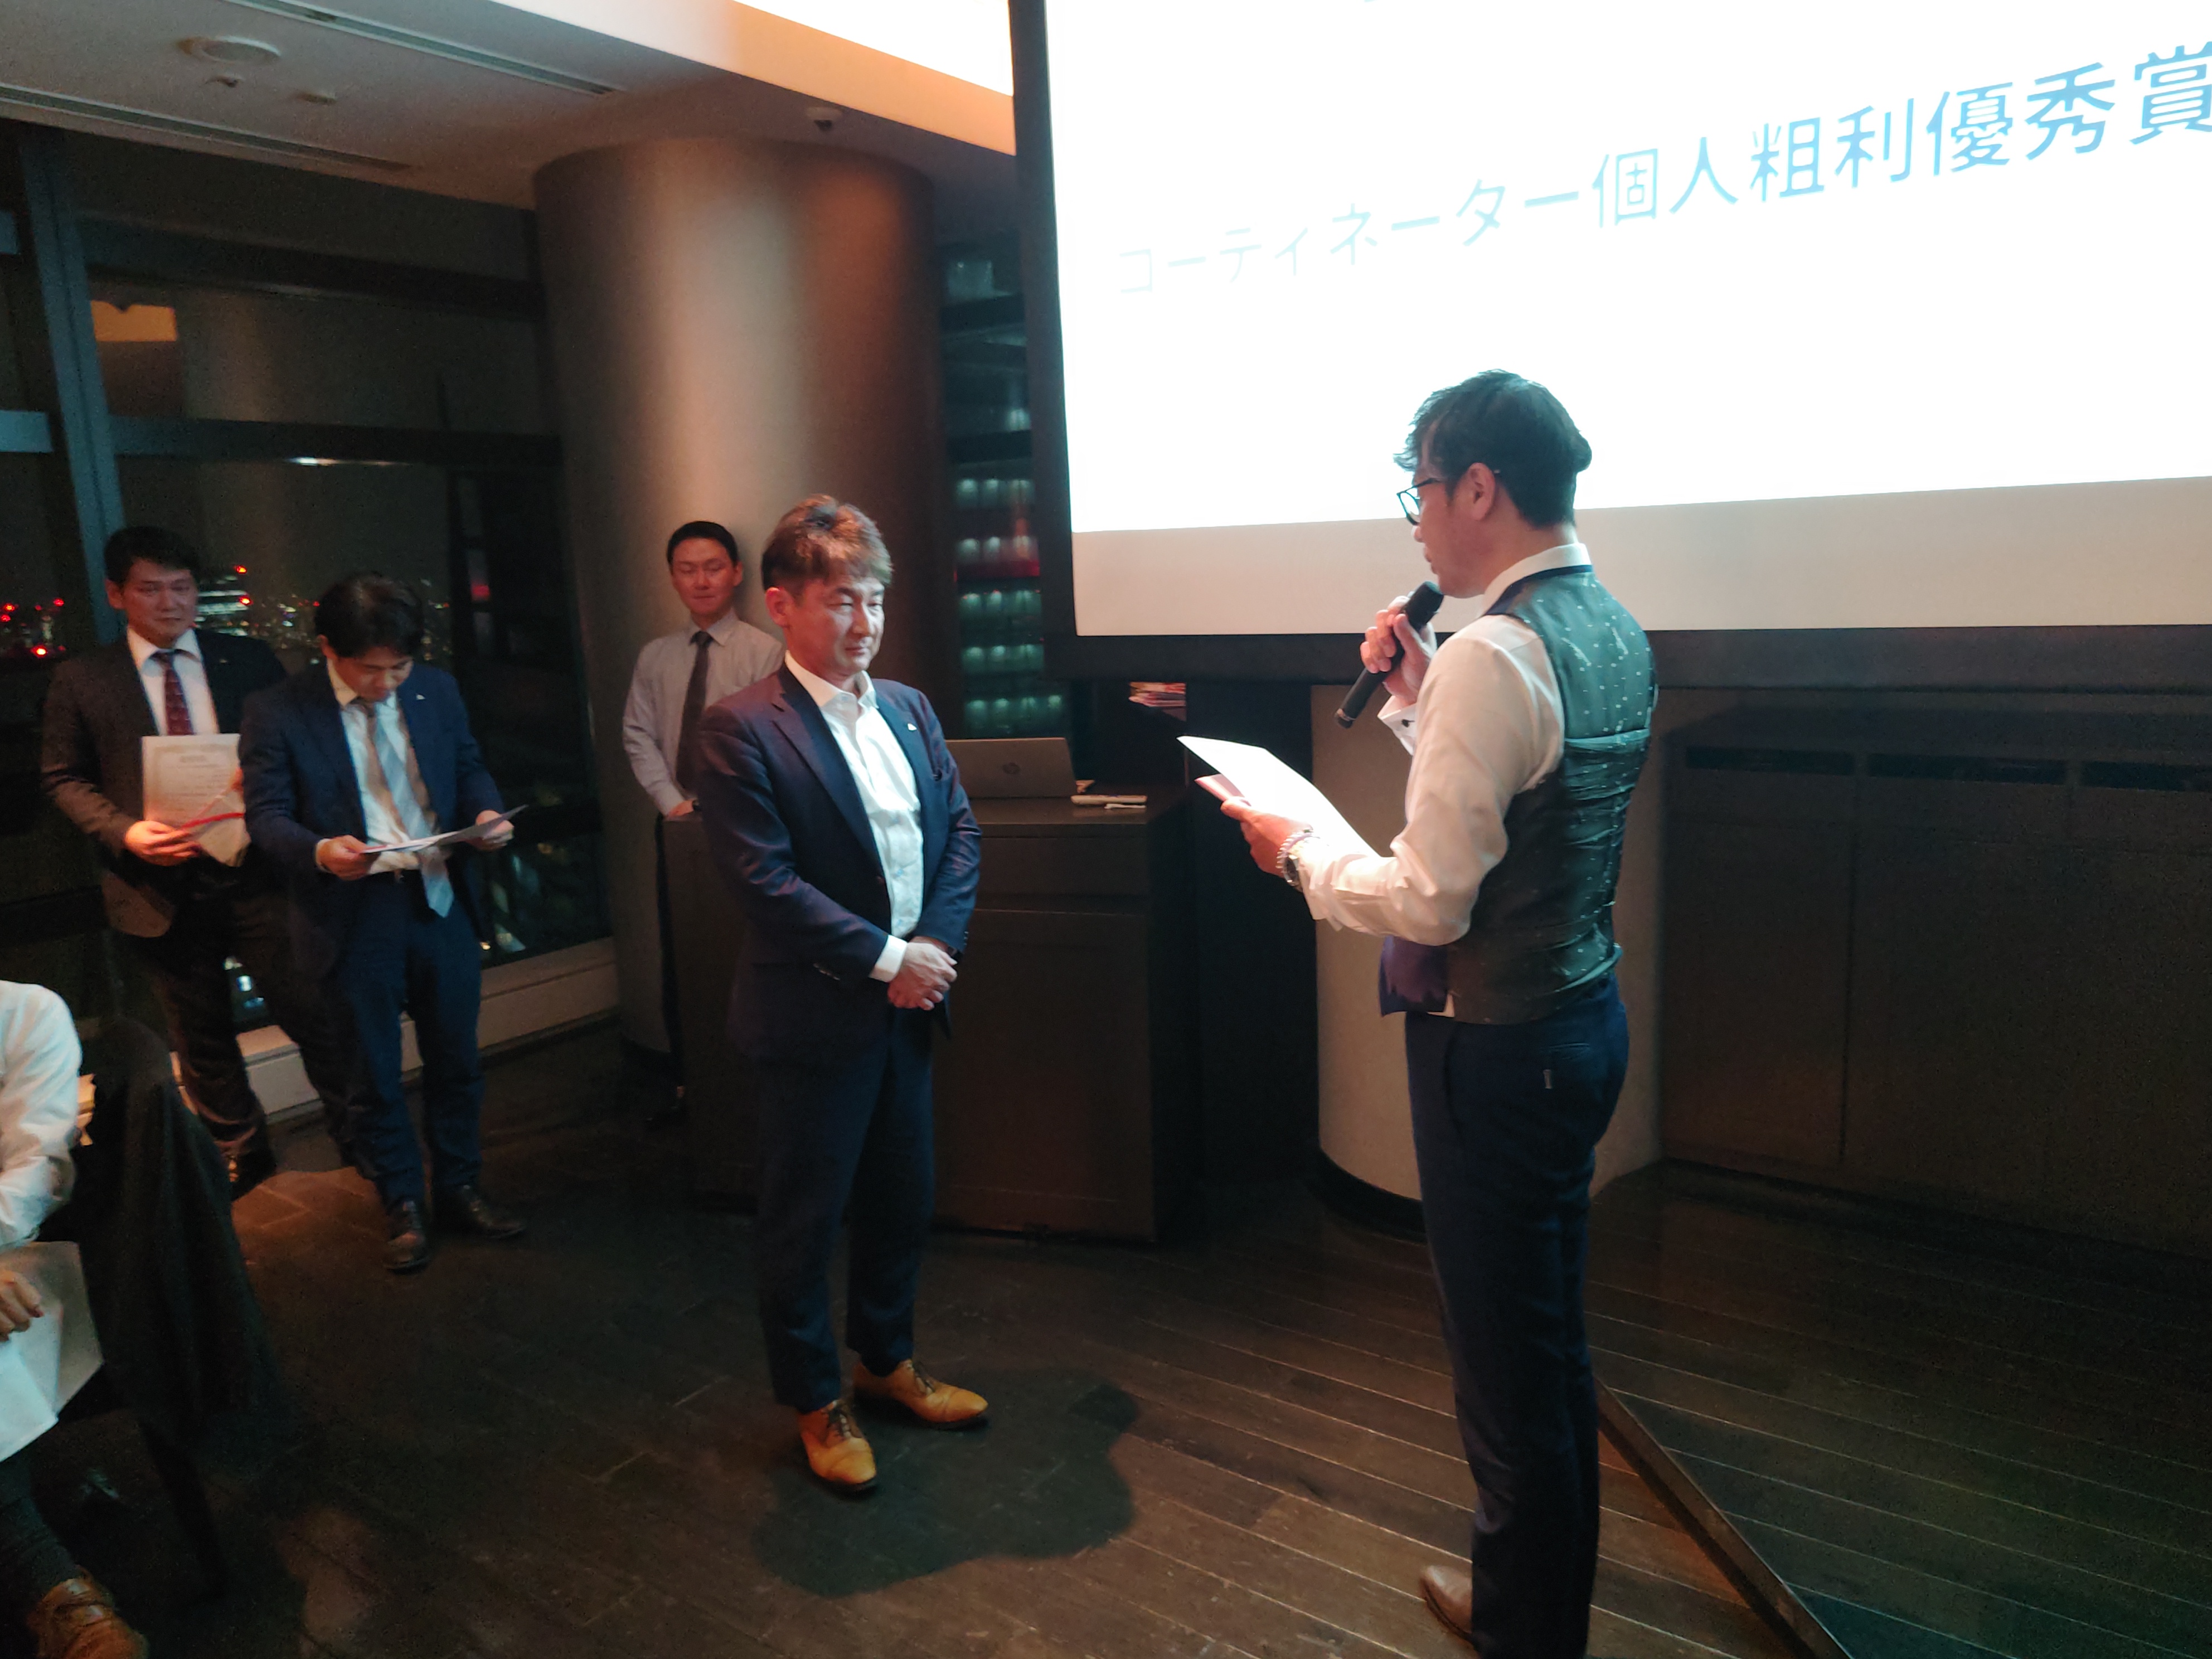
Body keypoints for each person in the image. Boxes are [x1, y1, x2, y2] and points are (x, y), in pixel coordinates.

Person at [1223, 372, 1653, 1658]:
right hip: (1578, 1021)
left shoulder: (1494, 656)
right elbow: (1517, 803)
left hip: (1494, 1054)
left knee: (1504, 1377)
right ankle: (1530, 1609)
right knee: (1548, 1353)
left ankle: (1524, 1634)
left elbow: (1428, 896)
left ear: (1477, 488)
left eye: (1417, 489)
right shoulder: (1609, 628)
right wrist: (1419, 697)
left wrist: (1299, 855)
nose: (1413, 521)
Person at [693, 496, 984, 1495]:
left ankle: (885, 1361)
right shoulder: (740, 728)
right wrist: (889, 959)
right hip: (812, 1017)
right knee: (803, 1222)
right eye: (840, 602)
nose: (864, 623)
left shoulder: (908, 708)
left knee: (903, 1201)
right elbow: (764, 885)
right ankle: (816, 1399)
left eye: (875, 601)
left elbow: (960, 833)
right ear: (781, 604)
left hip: (909, 1005)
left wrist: (932, 948)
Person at [40, 526, 356, 1201]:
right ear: (116, 594)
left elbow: (297, 746)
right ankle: (239, 1149)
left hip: (257, 871)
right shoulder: (83, 679)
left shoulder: (248, 659)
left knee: (315, 1012)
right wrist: (125, 832)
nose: (171, 603)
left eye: (182, 587)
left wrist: (266, 784)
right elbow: (63, 777)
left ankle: (361, 1133)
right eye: (151, 590)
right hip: (155, 885)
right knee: (200, 1033)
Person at [238, 574, 526, 1275]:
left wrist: (486, 814)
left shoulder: (435, 689)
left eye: (399, 667)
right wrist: (318, 851)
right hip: (351, 910)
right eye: (371, 669)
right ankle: (400, 1199)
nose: (387, 683)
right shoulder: (278, 710)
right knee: (370, 1072)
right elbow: (266, 817)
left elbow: (467, 765)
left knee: (457, 1060)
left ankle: (459, 1187)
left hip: (436, 897)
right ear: (328, 648)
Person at [0, 981, 146, 1659]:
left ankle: (53, 1594)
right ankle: (58, 1594)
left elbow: (38, 1175)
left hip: (20, 1255)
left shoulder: (25, 1014)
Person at [620, 521, 784, 1099]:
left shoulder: (764, 651)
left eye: (713, 567)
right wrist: (672, 803)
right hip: (676, 824)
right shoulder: (656, 656)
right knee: (682, 951)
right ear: (672, 577)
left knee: (744, 948)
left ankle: (747, 1087)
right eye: (687, 570)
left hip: (746, 826)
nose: (701, 580)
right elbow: (637, 734)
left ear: (736, 574)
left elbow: (771, 741)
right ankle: (691, 1085)